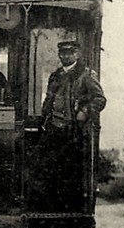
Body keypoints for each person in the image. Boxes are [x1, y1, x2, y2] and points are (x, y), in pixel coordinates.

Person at [37, 40, 107, 211]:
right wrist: (44, 119)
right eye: (63, 53)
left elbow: (100, 99)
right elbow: (49, 100)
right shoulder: (56, 76)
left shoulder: (86, 75)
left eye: (70, 52)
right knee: (49, 170)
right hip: (54, 129)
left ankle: (70, 208)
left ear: (77, 54)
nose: (65, 56)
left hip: (74, 132)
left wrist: (85, 111)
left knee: (71, 172)